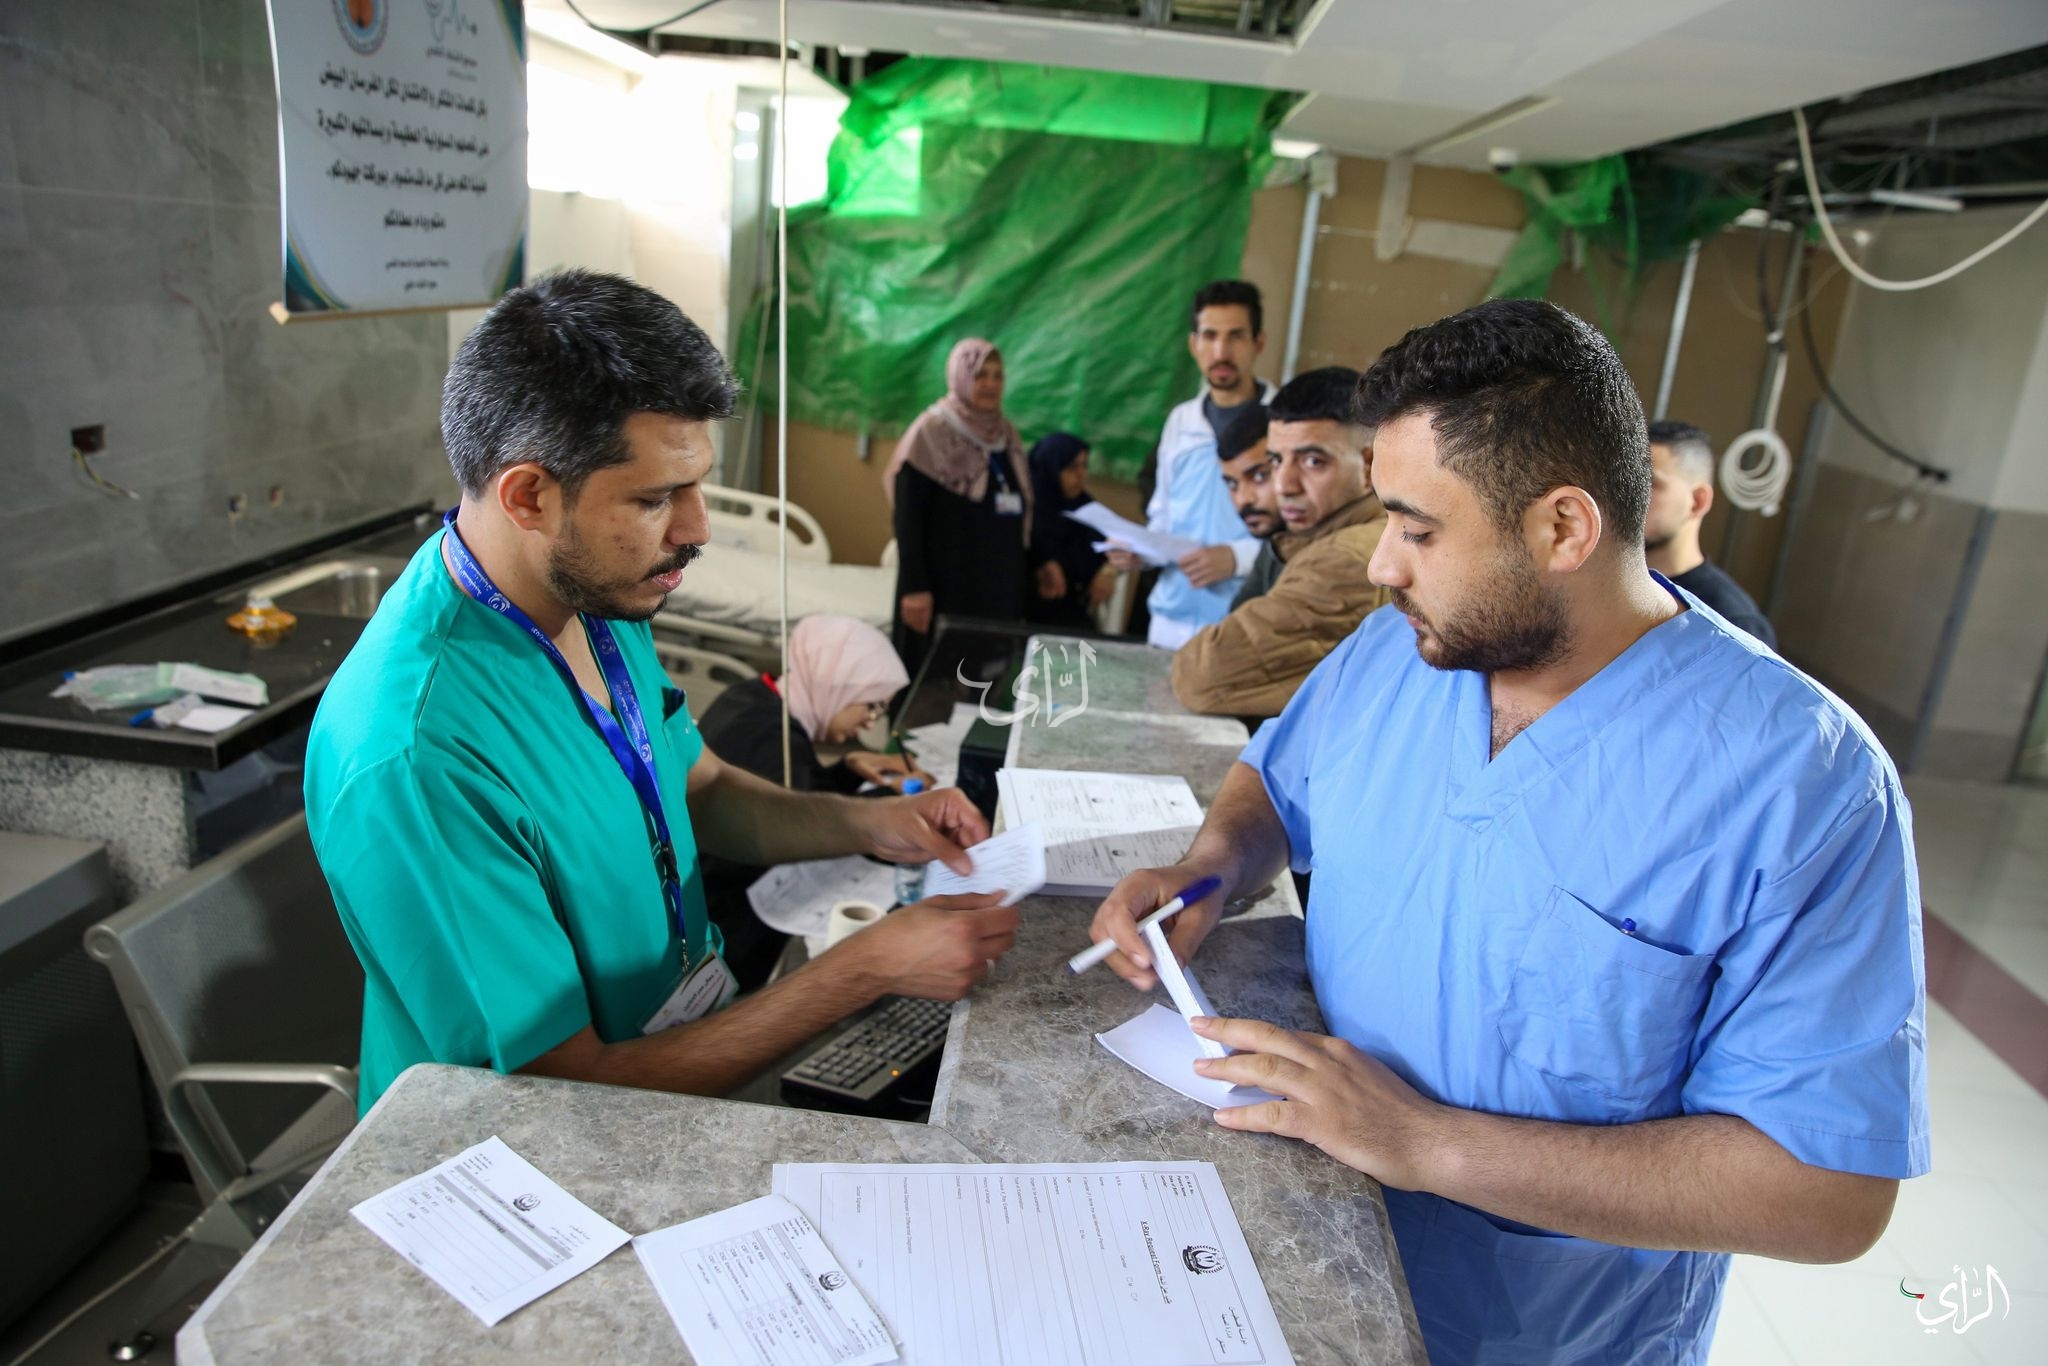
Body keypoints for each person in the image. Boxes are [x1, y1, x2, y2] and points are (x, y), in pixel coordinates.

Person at [1090, 300, 1926, 1365]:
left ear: (1563, 529)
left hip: (1545, 1326)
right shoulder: (1400, 651)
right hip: (1304, 1246)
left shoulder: (1799, 781)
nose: (1382, 565)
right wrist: (1212, 867)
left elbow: (1824, 1190)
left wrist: (1421, 1142)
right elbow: (1276, 778)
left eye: (1418, 529)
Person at [306, 271, 1020, 1114]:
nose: (697, 528)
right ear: (529, 495)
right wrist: (863, 970)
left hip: (674, 1061)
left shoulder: (596, 594)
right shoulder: (418, 755)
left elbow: (696, 787)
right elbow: (555, 1093)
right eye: (654, 499)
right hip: (524, 1147)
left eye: (695, 484)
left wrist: (873, 825)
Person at [695, 613, 932, 988]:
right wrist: (899, 800)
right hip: (727, 923)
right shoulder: (771, 741)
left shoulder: (753, 697)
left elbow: (798, 791)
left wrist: (848, 768)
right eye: (871, 705)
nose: (871, 722)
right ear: (836, 685)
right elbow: (813, 825)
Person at [1172, 366, 1390, 719]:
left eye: (1313, 461)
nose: (1284, 485)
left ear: (1368, 466)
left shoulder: (1344, 560)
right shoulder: (1318, 538)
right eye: (1276, 461)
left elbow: (1203, 676)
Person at [1111, 281, 1273, 649]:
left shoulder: (1283, 423)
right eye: (1210, 336)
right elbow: (1163, 517)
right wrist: (1141, 550)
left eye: (1235, 337)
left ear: (1258, 343)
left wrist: (1236, 558)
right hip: (1170, 622)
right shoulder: (1180, 422)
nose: (1221, 351)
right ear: (1193, 344)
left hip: (1245, 627)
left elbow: (1303, 532)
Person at [885, 339, 1031, 666]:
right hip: (942, 588)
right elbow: (907, 519)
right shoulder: (931, 432)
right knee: (934, 681)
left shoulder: (1006, 435)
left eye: (998, 375)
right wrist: (915, 588)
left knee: (984, 679)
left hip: (993, 591)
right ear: (960, 376)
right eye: (980, 374)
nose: (990, 384)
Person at [1644, 419, 1777, 647]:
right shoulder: (1607, 591)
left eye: (1650, 483)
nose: (1629, 497)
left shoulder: (1733, 625)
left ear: (1697, 501)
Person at [1024, 432, 1115, 630]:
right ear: (1050, 467)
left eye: (1084, 466)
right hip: (1026, 616)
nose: (1081, 474)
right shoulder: (1027, 508)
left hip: (1074, 612)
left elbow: (1116, 542)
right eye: (1072, 467)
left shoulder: (1083, 505)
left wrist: (1109, 570)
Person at [1215, 406, 1283, 608]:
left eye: (1260, 476)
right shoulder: (1274, 544)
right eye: (1232, 484)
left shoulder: (1330, 551)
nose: (1243, 499)